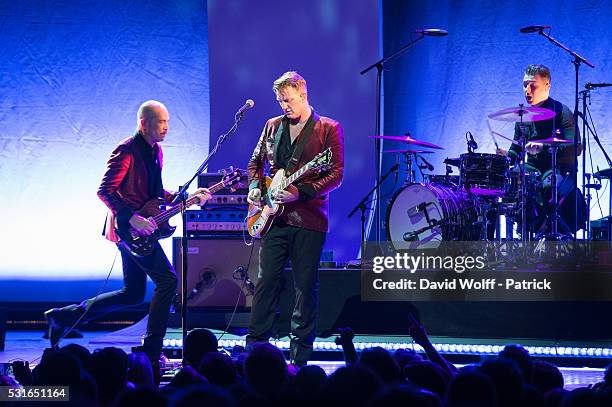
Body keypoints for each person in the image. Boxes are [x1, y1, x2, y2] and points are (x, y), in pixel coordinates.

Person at [44, 100, 210, 363]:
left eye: (167, 122)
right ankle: (153, 349)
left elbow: (154, 192)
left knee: (132, 294)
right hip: (128, 229)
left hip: (140, 228)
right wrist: (133, 219)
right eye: (160, 122)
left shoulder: (156, 150)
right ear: (144, 124)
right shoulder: (126, 151)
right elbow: (105, 191)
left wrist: (186, 197)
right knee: (168, 281)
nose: (166, 128)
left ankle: (64, 316)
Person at [246, 71, 344, 365]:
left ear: (303, 94)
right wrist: (254, 188)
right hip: (272, 218)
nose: (284, 106)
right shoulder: (272, 126)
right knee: (265, 283)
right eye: (279, 101)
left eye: (287, 100)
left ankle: (299, 356)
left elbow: (336, 174)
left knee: (304, 286)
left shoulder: (327, 128)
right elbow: (255, 163)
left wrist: (300, 192)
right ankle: (256, 350)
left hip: (309, 219)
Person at [496, 64, 585, 234]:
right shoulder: (523, 116)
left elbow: (576, 148)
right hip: (533, 169)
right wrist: (508, 157)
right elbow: (517, 147)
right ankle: (521, 233)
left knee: (545, 186)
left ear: (547, 86)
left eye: (532, 85)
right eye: (524, 85)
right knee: (508, 183)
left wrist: (544, 148)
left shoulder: (561, 112)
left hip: (558, 169)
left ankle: (544, 232)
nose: (527, 90)